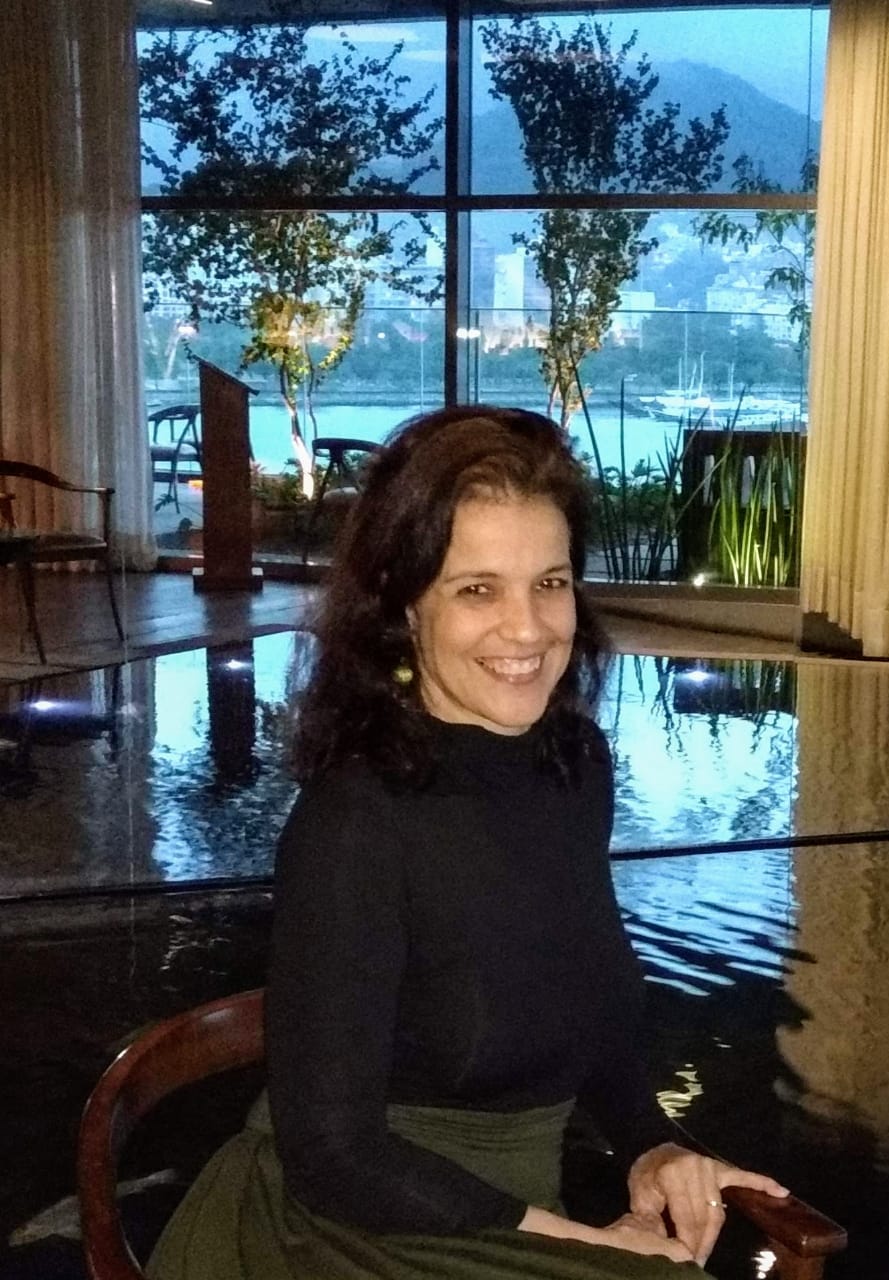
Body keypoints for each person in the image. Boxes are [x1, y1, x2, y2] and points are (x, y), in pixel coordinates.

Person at [149, 405, 788, 1280]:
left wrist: (652, 1144)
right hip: (348, 1227)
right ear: (404, 604)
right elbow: (333, 1156)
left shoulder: (572, 765)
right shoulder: (357, 821)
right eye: (477, 589)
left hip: (505, 1214)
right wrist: (591, 1245)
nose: (528, 629)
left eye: (550, 583)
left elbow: (582, 1013)